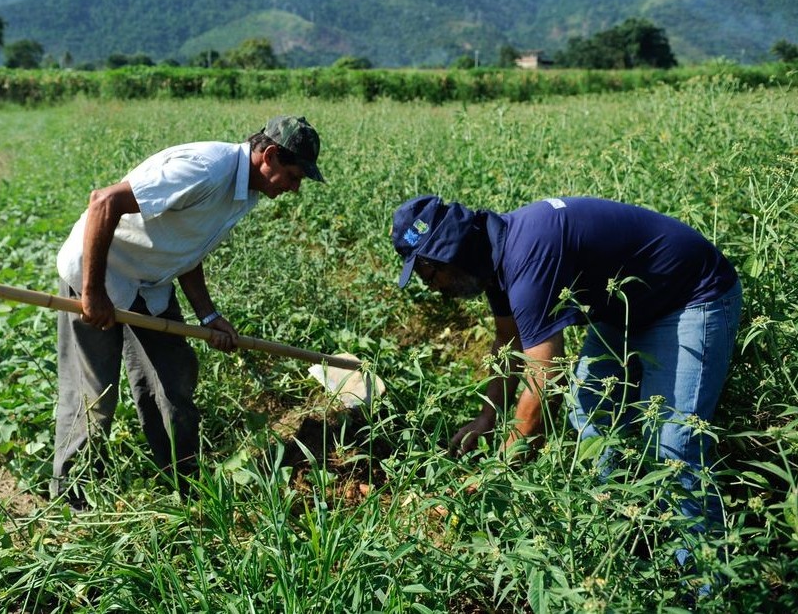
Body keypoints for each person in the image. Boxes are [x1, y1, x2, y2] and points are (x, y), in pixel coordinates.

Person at [391, 194, 742, 580]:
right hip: (624, 309)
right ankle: (624, 531)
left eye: (425, 274)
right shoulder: (492, 255)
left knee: (675, 447)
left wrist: (496, 471)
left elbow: (546, 378)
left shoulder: (528, 255)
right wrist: (487, 417)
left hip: (692, 297)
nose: (429, 286)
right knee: (589, 409)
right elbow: (509, 344)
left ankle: (707, 586)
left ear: (445, 255)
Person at [51, 115, 324, 505]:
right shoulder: (206, 170)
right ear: (272, 156)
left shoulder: (244, 193)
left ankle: (185, 486)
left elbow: (187, 248)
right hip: (98, 273)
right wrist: (93, 292)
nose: (295, 188)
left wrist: (209, 316)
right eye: (295, 176)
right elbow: (104, 201)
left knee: (173, 381)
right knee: (93, 396)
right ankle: (71, 501)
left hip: (150, 283)